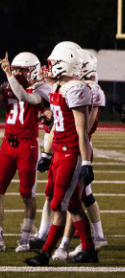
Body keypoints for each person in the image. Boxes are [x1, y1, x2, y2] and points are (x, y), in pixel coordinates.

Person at [24, 42, 97, 266]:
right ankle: (89, 250)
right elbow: (58, 123)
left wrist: (86, 163)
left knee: (58, 205)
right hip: (58, 152)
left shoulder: (76, 89)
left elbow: (82, 132)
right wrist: (47, 154)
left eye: (53, 62)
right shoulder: (58, 87)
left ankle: (45, 254)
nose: (49, 66)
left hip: (71, 154)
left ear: (66, 64)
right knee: (73, 204)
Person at [0, 52, 51, 252]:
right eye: (15, 69)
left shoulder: (41, 88)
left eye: (22, 70)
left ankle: (25, 238)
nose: (17, 73)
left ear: (32, 71)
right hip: (7, 143)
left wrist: (8, 76)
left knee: (27, 194)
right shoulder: (7, 86)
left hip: (27, 146)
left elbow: (24, 96)